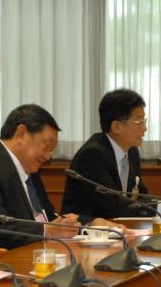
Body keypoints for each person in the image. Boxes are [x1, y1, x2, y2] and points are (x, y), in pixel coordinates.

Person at [0, 104, 123, 249]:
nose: (48, 157)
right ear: (21, 133)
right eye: (46, 146)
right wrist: (47, 231)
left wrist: (90, 224)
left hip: (32, 257)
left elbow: (50, 219)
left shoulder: (29, 171)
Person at [61, 88, 155, 218]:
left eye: (144, 120)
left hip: (119, 226)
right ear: (116, 126)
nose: (144, 128)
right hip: (85, 228)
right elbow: (111, 206)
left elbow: (141, 194)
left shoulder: (131, 151)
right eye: (139, 121)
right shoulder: (92, 155)